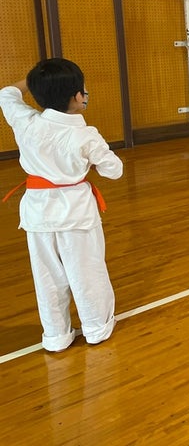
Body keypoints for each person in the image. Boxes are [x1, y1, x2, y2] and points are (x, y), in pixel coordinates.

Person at [0, 58, 123, 352]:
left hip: (38, 214)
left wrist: (35, 81)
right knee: (87, 272)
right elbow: (114, 170)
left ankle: (56, 336)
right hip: (76, 214)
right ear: (78, 96)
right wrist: (92, 163)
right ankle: (96, 327)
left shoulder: (25, 121)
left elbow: (6, 94)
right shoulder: (85, 135)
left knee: (47, 277)